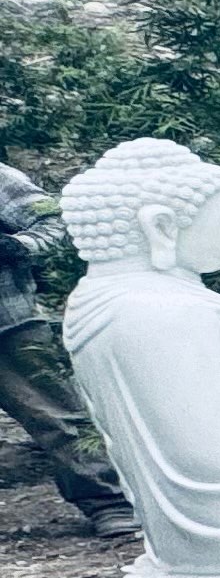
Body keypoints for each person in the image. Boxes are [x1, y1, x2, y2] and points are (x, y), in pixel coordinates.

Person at [0, 162, 128, 532]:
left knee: (57, 416)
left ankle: (110, 502)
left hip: (8, 326)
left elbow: (57, 221)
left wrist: (17, 246)